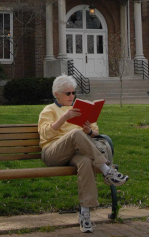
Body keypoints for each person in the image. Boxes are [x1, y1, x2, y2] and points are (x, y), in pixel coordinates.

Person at [38, 75, 129, 234]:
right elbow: (46, 135)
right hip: (53, 152)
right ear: (56, 94)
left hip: (77, 153)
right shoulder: (49, 110)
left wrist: (90, 131)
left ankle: (85, 214)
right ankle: (107, 170)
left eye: (73, 93)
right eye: (68, 93)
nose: (71, 96)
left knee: (86, 162)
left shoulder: (79, 108)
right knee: (75, 134)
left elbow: (96, 131)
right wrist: (64, 118)